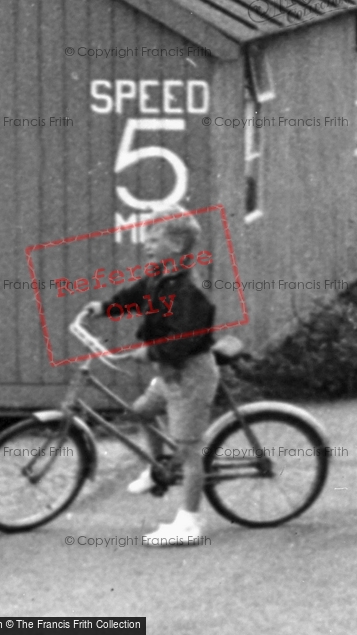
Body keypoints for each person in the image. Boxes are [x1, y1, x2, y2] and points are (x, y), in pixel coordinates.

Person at [84, 205, 220, 546]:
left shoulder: (188, 289)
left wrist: (150, 352)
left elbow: (183, 342)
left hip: (190, 375)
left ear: (176, 246)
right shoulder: (161, 275)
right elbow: (136, 295)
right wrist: (106, 307)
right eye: (146, 236)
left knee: (190, 453)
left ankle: (189, 522)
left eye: (153, 237)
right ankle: (160, 465)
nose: (145, 243)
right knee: (141, 412)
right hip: (170, 373)